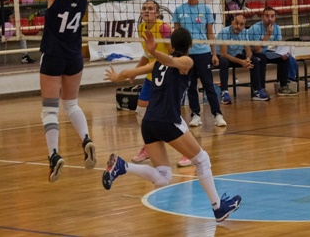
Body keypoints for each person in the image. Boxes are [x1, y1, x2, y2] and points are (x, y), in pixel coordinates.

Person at [102, 29, 242, 223]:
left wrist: (118, 76)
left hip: (149, 122)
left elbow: (130, 73)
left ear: (171, 45)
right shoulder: (187, 62)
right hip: (166, 120)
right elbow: (172, 62)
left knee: (164, 176)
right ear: (190, 45)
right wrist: (153, 52)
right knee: (202, 160)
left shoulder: (157, 63)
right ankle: (218, 208)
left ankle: (123, 166)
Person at [39, 0, 109, 182]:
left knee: (49, 110)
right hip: (74, 57)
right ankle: (86, 139)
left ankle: (54, 155)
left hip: (53, 56)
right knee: (71, 104)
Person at [172, 0, 226, 128]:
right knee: (191, 86)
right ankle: (195, 115)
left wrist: (214, 53)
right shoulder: (179, 10)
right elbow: (176, 34)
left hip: (203, 52)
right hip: (186, 55)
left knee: (208, 85)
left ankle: (217, 114)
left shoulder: (205, 9)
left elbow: (210, 33)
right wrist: (176, 54)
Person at [127, 0, 171, 164]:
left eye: (150, 8)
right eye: (144, 8)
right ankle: (148, 146)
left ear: (157, 13)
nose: (146, 11)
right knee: (140, 111)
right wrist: (135, 72)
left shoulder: (163, 28)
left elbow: (173, 52)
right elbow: (147, 55)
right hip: (151, 77)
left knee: (170, 116)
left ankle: (187, 152)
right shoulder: (141, 28)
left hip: (166, 76)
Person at [246, 6, 297, 98]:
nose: (270, 19)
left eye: (272, 16)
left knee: (284, 58)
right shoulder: (255, 28)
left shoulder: (277, 28)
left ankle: (283, 86)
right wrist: (268, 35)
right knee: (261, 58)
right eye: (267, 16)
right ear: (262, 17)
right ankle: (261, 88)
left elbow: (278, 44)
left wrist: (283, 52)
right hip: (254, 54)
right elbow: (257, 50)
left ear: (275, 17)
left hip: (267, 52)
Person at [217, 15, 264, 102]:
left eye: (241, 24)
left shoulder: (244, 32)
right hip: (220, 56)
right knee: (224, 62)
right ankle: (224, 92)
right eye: (236, 23)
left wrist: (247, 60)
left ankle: (257, 90)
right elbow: (224, 54)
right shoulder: (225, 32)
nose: (238, 26)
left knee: (254, 60)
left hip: (234, 55)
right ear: (232, 22)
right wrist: (241, 62)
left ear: (244, 26)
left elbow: (249, 52)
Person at [0, 0, 36, 66]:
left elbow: (11, 19)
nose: (2, 2)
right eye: (0, 1)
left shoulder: (8, 7)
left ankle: (24, 57)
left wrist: (14, 29)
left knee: (22, 37)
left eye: (3, 0)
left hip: (8, 27)